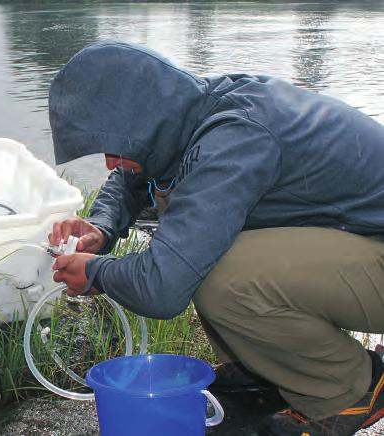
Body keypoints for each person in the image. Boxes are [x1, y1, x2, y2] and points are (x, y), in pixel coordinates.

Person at [47, 40, 384, 435]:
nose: (109, 162)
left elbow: (164, 288)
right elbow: (132, 178)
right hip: (364, 246)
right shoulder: (193, 111)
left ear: (146, 119)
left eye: (116, 147)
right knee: (200, 246)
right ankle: (265, 372)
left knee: (212, 272)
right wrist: (101, 228)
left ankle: (349, 390)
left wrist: (96, 274)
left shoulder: (236, 138)